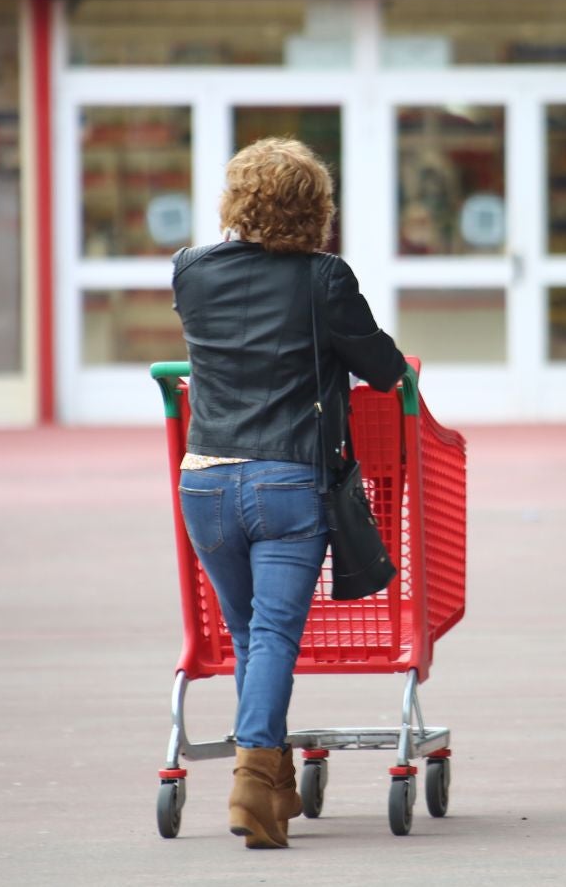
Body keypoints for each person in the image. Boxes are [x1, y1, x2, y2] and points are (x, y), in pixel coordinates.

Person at [171, 137, 405, 848]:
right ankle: (250, 783)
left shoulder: (189, 272)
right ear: (317, 208)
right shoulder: (325, 280)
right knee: (272, 635)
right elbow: (385, 369)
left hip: (204, 483)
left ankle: (271, 785)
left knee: (250, 637)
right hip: (285, 484)